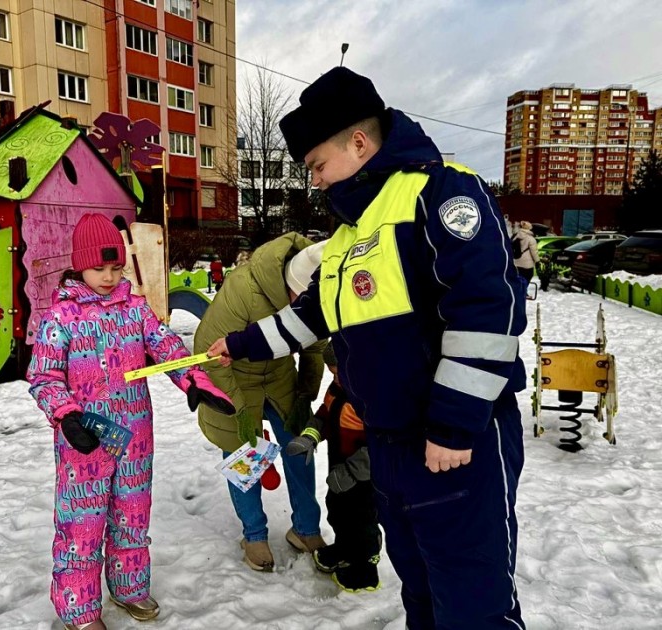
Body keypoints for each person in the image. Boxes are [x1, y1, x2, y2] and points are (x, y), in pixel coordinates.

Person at [207, 67, 528, 629]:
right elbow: (310, 317)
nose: (315, 181)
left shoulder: (440, 191)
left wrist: (453, 425)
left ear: (358, 142)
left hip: (454, 444)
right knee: (423, 591)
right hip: (393, 447)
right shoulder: (350, 236)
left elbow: (487, 310)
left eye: (316, 165)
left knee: (474, 602)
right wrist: (240, 344)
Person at [27, 213, 234, 630]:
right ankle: (80, 608)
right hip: (86, 439)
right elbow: (43, 376)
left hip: (135, 436)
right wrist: (65, 414)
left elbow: (164, 344)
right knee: (83, 524)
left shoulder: (135, 308)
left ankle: (129, 586)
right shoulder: (61, 317)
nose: (108, 276)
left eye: (116, 267)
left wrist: (193, 377)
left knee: (132, 514)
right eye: (99, 268)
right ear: (79, 265)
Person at [193, 233, 328, 572]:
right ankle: (254, 535)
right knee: (244, 452)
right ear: (289, 286)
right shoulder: (243, 288)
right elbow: (209, 351)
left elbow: (314, 345)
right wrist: (239, 412)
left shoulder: (315, 290)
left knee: (300, 445)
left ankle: (306, 529)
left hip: (280, 375)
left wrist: (304, 394)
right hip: (234, 376)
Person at [286, 342, 382, 593]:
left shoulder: (373, 396)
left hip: (364, 475)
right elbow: (326, 414)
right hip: (338, 465)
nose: (336, 377)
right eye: (332, 372)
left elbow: (382, 445)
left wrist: (352, 472)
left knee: (361, 519)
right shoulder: (338, 388)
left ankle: (363, 567)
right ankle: (344, 549)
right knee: (338, 511)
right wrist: (310, 435)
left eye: (340, 371)